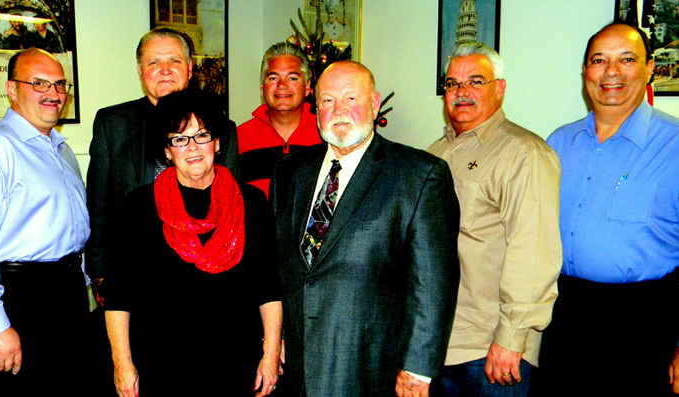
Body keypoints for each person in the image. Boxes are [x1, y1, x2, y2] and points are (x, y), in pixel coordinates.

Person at [272, 61, 460, 397]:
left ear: (374, 105)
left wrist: (419, 369)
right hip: (298, 369)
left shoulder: (419, 176)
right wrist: (277, 337)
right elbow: (282, 266)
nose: (338, 111)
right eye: (327, 101)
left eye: (351, 99)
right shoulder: (289, 173)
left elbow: (433, 285)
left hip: (373, 370)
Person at [104, 89, 282, 397]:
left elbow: (268, 287)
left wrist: (269, 355)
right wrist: (122, 364)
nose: (192, 147)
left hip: (236, 364)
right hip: (162, 367)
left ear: (217, 142)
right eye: (179, 138)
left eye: (201, 135)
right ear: (167, 150)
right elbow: (119, 295)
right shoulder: (139, 206)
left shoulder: (251, 202)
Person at [540, 22, 679, 396]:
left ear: (650, 68)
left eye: (626, 59)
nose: (611, 72)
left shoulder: (675, 144)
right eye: (599, 60)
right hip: (562, 317)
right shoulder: (558, 143)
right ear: (585, 71)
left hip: (641, 326)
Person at [0, 49, 89, 396]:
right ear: (11, 89)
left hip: (66, 293)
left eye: (59, 84)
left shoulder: (61, 149)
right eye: (38, 83)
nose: (53, 94)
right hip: (20, 299)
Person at [427, 42, 561, 396]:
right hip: (441, 342)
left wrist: (512, 338)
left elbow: (533, 252)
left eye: (475, 81)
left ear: (499, 89)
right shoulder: (436, 153)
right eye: (453, 83)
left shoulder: (524, 153)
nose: (462, 92)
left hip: (492, 350)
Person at [85, 27, 240, 301]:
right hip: (132, 270)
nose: (165, 69)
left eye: (174, 61)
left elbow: (231, 208)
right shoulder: (112, 124)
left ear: (190, 69)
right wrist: (98, 270)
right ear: (140, 70)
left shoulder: (222, 129)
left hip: (202, 272)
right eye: (154, 62)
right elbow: (98, 204)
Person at [237, 42, 322, 198]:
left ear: (308, 87)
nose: (282, 85)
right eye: (273, 78)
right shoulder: (238, 139)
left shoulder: (325, 135)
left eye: (293, 78)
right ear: (262, 88)